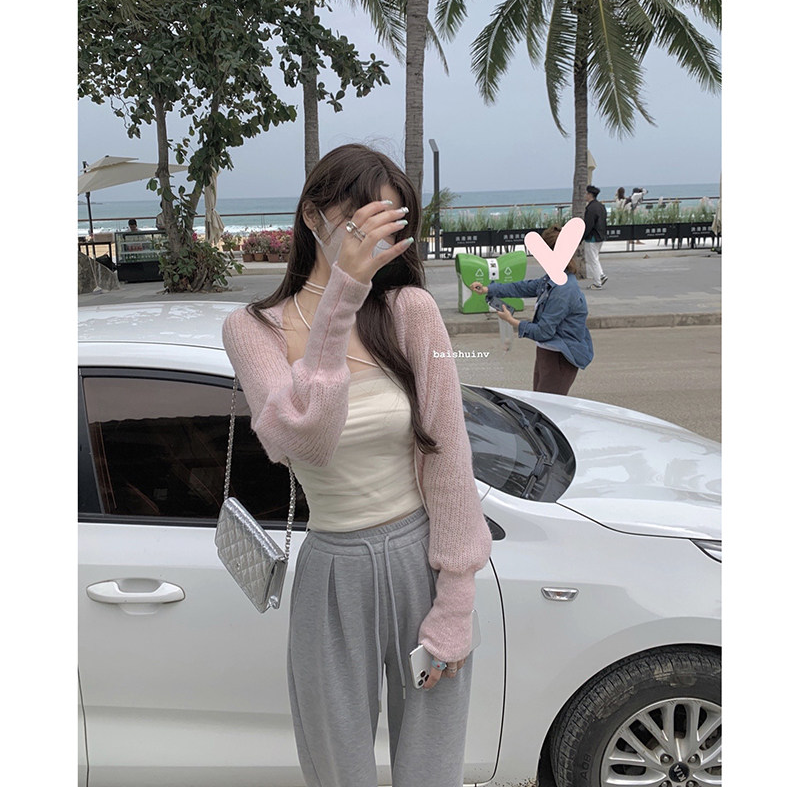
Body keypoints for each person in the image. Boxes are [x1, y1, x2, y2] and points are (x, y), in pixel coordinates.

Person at [222, 143, 493, 787]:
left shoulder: (411, 313)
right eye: (359, 221)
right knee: (336, 763)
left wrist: (456, 599)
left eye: (389, 225)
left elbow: (449, 452)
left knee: (430, 765)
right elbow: (305, 440)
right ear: (313, 217)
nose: (374, 240)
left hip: (420, 560)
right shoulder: (252, 330)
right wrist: (341, 293)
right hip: (332, 569)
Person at [469, 225, 594, 395]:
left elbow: (544, 331)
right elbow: (524, 287)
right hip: (547, 351)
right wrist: (488, 289)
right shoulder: (554, 277)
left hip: (559, 357)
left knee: (547, 406)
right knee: (539, 400)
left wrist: (511, 321)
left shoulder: (563, 290)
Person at [583, 185, 607, 289]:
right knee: (595, 258)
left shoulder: (590, 208)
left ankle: (597, 283)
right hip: (600, 236)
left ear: (590, 195)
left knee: (592, 259)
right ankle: (601, 275)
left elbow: (588, 225)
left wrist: (582, 236)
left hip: (592, 237)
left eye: (586, 193)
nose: (585, 195)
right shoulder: (601, 206)